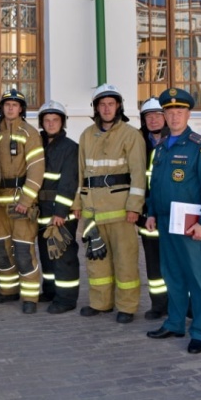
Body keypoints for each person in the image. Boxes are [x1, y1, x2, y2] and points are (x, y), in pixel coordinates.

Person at [145, 88, 201, 355]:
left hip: (190, 224)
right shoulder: (162, 148)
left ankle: (200, 330)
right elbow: (154, 184)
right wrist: (151, 212)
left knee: (194, 277)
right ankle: (175, 322)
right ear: (164, 115)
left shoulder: (200, 146)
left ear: (189, 113)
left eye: (180, 111)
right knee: (171, 275)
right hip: (166, 221)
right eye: (169, 112)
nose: (174, 116)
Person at [72, 84, 146, 323]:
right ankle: (100, 303)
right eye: (102, 105)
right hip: (93, 210)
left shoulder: (131, 135)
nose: (106, 108)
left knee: (125, 261)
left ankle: (127, 306)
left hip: (121, 211)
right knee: (97, 261)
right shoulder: (86, 135)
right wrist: (77, 204)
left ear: (118, 106)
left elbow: (138, 173)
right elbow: (80, 173)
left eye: (110, 104)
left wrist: (135, 206)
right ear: (96, 108)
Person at [0, 88, 45, 314]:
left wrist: (27, 199)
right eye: (7, 104)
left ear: (21, 109)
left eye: (15, 105)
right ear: (2, 108)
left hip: (21, 204)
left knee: (23, 251)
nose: (10, 108)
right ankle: (8, 291)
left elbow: (36, 168)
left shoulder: (30, 133)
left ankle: (30, 296)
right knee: (1, 250)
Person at [35, 100, 80, 314]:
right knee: (46, 253)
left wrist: (61, 212)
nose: (51, 124)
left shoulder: (70, 148)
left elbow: (69, 182)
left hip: (60, 211)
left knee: (63, 255)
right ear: (42, 122)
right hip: (42, 209)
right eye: (47, 120)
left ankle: (66, 299)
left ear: (62, 122)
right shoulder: (37, 144)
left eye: (55, 120)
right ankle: (51, 291)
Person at [137, 97, 170, 320]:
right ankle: (159, 305)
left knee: (177, 261)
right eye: (149, 116)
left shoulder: (178, 139)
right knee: (153, 262)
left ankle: (184, 304)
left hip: (172, 212)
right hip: (146, 213)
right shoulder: (137, 142)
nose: (153, 120)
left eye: (158, 115)